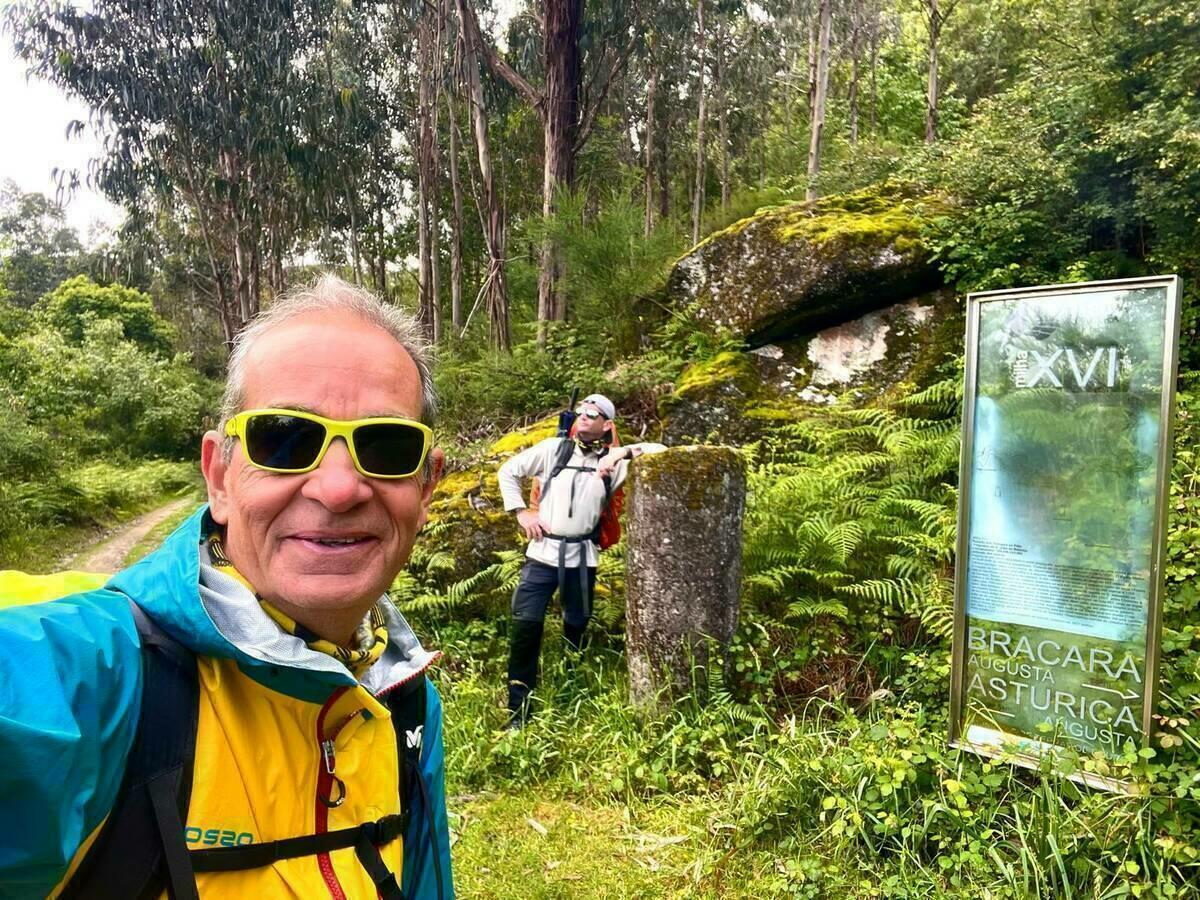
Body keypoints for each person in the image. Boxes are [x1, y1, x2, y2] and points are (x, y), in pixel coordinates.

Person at [0, 276, 454, 899]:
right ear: (219, 475)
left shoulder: (404, 698)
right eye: (286, 439)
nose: (340, 488)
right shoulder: (100, 675)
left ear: (425, 488)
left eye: (385, 445)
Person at [497, 393, 665, 726]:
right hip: (541, 555)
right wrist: (521, 512)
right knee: (526, 626)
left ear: (607, 424)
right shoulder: (553, 450)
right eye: (582, 411)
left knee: (576, 622)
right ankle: (519, 710)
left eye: (594, 413)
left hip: (582, 558)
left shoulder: (615, 463)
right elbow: (508, 472)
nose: (585, 416)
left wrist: (621, 452)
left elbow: (661, 451)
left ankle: (571, 680)